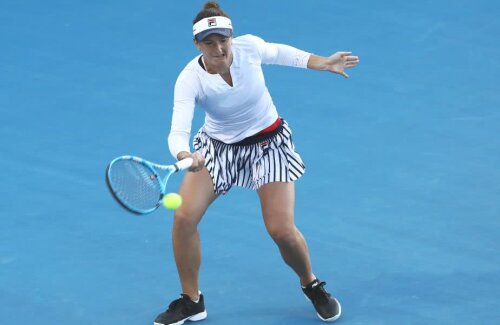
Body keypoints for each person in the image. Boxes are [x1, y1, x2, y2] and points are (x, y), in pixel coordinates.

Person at [154, 2, 359, 324]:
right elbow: (178, 129)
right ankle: (191, 300)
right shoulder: (189, 79)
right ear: (197, 44)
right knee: (183, 217)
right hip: (218, 149)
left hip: (269, 145)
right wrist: (184, 155)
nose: (219, 48)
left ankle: (311, 284)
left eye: (223, 39)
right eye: (209, 42)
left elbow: (284, 53)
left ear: (232, 37)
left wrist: (322, 63)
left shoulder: (249, 48)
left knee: (280, 230)